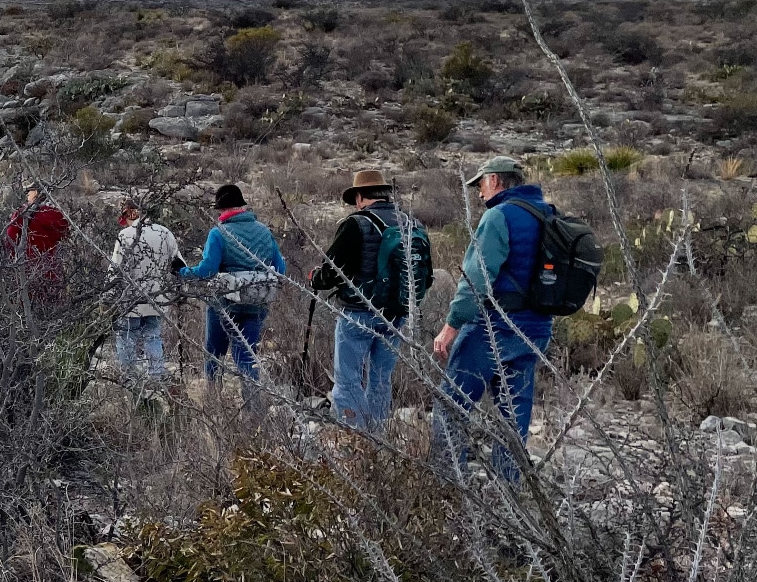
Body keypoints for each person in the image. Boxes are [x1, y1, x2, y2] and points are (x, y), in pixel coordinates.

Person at [431, 156, 558, 472]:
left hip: (494, 328)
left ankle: (445, 485)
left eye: (481, 184)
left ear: (496, 181)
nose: (478, 193)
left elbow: (476, 278)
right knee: (514, 414)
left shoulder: (499, 217)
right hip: (536, 329)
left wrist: (452, 325)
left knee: (451, 405)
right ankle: (511, 491)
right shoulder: (547, 214)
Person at [309, 170, 432, 432]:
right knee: (380, 379)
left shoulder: (357, 223)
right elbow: (428, 276)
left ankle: (355, 439)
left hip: (359, 312)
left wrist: (316, 280)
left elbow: (331, 271)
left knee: (348, 380)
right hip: (397, 314)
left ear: (359, 197)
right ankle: (378, 437)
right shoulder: (413, 224)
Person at [180, 184, 286, 403]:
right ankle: (253, 412)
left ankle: (212, 402)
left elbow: (207, 270)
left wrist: (181, 271)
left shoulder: (218, 233)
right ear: (242, 206)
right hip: (257, 303)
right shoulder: (264, 231)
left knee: (215, 354)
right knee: (247, 357)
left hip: (224, 305)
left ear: (221, 209)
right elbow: (280, 269)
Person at [108, 199, 183, 382]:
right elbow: (179, 265)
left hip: (131, 298)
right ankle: (156, 375)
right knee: (153, 334)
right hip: (158, 296)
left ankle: (129, 378)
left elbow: (115, 269)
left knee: (127, 335)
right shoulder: (165, 233)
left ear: (127, 215)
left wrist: (108, 293)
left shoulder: (125, 235)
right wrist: (181, 290)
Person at [5, 183, 72, 310]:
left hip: (28, 270)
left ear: (36, 192)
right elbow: (65, 237)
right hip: (53, 270)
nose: (27, 195)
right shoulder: (59, 216)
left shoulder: (23, 213)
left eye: (29, 192)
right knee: (53, 309)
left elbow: (10, 239)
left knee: (27, 311)